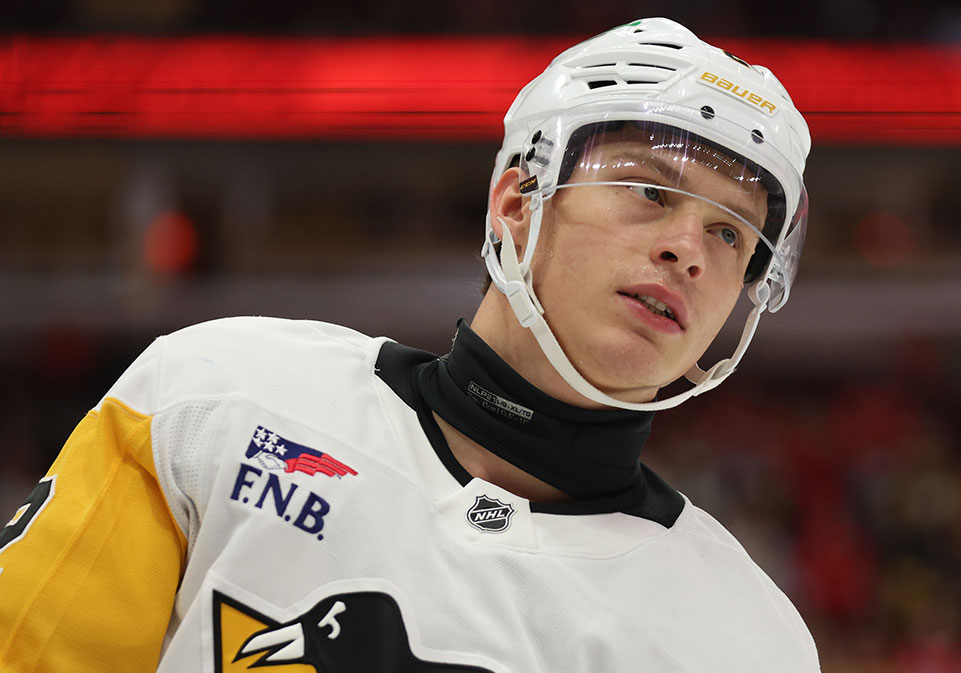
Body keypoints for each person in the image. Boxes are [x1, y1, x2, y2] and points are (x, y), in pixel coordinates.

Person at [0, 17, 817, 672]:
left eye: (730, 232)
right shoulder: (212, 397)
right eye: (649, 190)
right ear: (517, 199)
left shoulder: (745, 641)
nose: (691, 251)